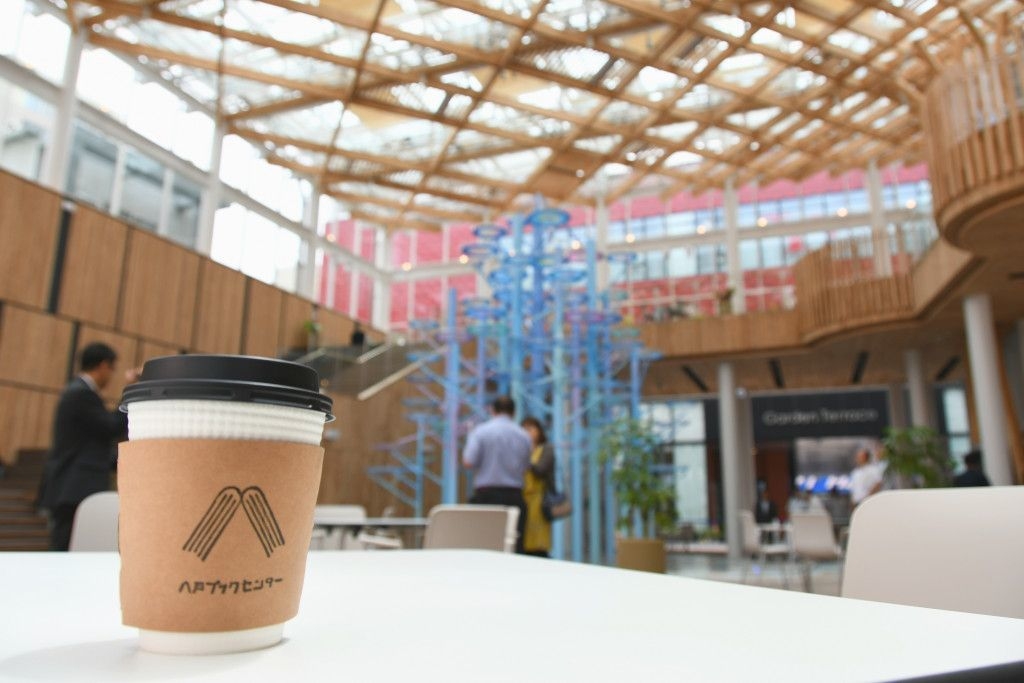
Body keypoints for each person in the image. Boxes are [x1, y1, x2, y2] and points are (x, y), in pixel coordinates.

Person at [42, 343, 137, 551]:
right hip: (75, 487)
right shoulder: (81, 393)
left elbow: (90, 441)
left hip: (71, 486)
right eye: (112, 369)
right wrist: (131, 392)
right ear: (103, 366)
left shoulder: (76, 391)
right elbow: (111, 426)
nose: (111, 376)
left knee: (66, 547)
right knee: (65, 550)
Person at [462, 396, 531, 553]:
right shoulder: (523, 435)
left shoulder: (480, 432)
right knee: (514, 547)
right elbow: (526, 467)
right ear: (514, 412)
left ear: (492, 410)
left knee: (483, 547)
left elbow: (468, 462)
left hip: (486, 496)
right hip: (515, 497)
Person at [520, 416, 554, 558]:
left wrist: (526, 458)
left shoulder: (546, 449)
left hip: (539, 500)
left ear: (539, 431)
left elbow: (541, 470)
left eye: (531, 428)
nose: (527, 432)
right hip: (522, 498)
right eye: (524, 429)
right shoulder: (519, 449)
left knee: (538, 542)